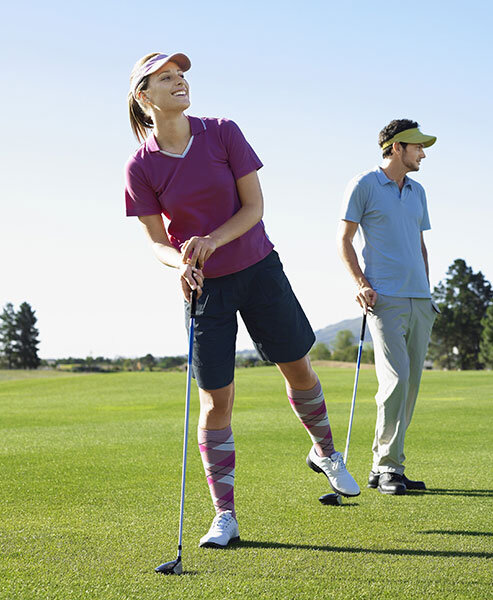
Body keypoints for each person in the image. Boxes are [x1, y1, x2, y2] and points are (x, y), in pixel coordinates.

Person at [124, 52, 359, 548]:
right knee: (216, 400)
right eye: (166, 78)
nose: (179, 82)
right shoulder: (140, 167)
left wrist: (211, 240)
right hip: (206, 287)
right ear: (145, 97)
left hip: (258, 268)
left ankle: (325, 451)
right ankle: (224, 515)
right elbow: (154, 241)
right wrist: (180, 263)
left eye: (182, 75)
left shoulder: (224, 131)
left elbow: (255, 207)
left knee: (297, 367)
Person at [337, 119, 439, 495]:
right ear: (397, 147)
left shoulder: (417, 192)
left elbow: (420, 245)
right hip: (384, 299)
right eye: (417, 147)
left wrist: (427, 293)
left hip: (420, 300)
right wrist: (361, 284)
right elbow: (343, 240)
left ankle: (389, 464)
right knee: (394, 381)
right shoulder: (364, 185)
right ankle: (386, 468)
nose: (423, 153)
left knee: (410, 385)